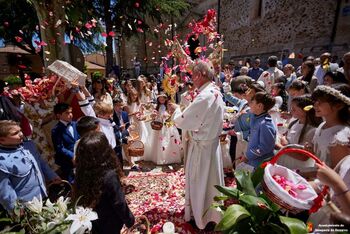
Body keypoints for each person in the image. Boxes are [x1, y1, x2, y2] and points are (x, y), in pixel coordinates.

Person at [168, 60, 225, 229]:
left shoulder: (205, 95)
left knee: (200, 182)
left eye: (193, 75)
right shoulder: (215, 91)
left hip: (202, 149)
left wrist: (176, 109)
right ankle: (210, 213)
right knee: (211, 183)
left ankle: (200, 216)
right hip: (210, 147)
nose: (191, 79)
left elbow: (183, 120)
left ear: (200, 75)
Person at [74, 132, 135, 233]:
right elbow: (119, 203)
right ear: (105, 152)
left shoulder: (81, 171)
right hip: (109, 223)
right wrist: (130, 220)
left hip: (92, 220)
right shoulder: (109, 176)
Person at [0, 120, 60, 212]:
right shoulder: (2, 161)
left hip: (43, 194)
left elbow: (40, 162)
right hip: (27, 206)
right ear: (2, 140)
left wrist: (52, 175)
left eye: (20, 130)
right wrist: (16, 209)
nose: (21, 134)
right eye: (15, 133)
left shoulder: (29, 145)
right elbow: (5, 192)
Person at [276, 95, 322, 169]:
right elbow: (285, 135)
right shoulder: (294, 122)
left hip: (297, 166)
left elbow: (304, 157)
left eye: (294, 109)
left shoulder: (313, 130)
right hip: (285, 161)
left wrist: (281, 147)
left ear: (306, 110)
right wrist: (284, 139)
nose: (291, 111)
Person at [310, 84, 350, 166]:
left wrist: (302, 173)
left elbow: (338, 173)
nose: (315, 105)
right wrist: (311, 151)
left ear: (338, 106)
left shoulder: (340, 137)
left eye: (321, 102)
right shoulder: (322, 125)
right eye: (315, 101)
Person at [243, 92, 276, 169]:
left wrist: (247, 156)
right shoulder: (256, 118)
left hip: (260, 164)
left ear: (259, 106)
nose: (249, 104)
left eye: (252, 102)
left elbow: (264, 148)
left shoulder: (265, 124)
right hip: (254, 161)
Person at [147, 93, 182, 165]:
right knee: (160, 141)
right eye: (160, 98)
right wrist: (154, 115)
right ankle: (161, 157)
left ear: (166, 99)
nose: (161, 99)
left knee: (168, 139)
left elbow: (173, 114)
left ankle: (168, 157)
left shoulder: (169, 105)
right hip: (159, 124)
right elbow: (154, 116)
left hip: (168, 124)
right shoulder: (157, 107)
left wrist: (167, 115)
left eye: (163, 98)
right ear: (158, 99)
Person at [51, 103, 80, 182]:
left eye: (71, 112)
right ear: (59, 115)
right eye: (67, 113)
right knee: (73, 180)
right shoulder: (56, 130)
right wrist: (72, 156)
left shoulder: (75, 124)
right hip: (67, 161)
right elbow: (60, 147)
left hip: (80, 155)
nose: (70, 115)